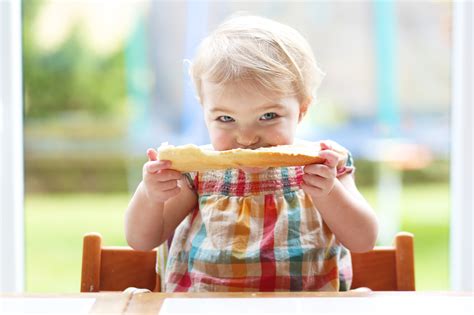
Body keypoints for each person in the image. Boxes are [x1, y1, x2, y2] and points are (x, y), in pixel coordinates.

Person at [125, 15, 378, 292]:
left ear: (302, 110)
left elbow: (363, 240)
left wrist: (329, 193)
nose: (246, 138)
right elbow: (142, 239)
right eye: (225, 119)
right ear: (204, 110)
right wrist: (150, 196)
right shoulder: (194, 172)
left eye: (268, 116)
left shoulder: (325, 162)